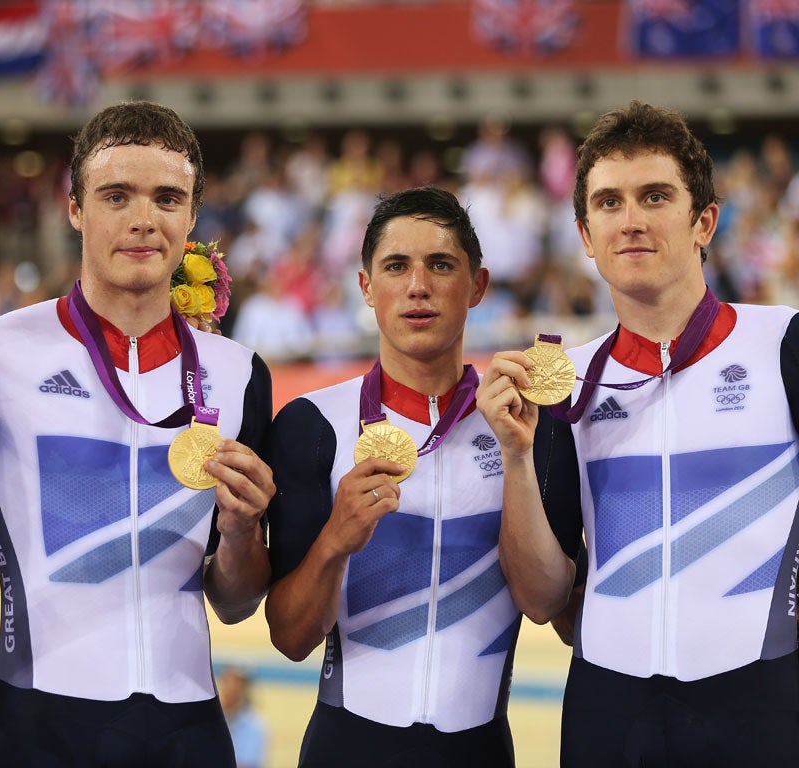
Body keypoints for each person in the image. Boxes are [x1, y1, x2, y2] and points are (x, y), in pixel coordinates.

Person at [0, 100, 276, 767]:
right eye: (116, 195)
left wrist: (238, 533)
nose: (143, 219)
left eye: (167, 198)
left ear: (192, 217)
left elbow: (235, 603)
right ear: (74, 209)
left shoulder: (240, 376)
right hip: (39, 724)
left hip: (189, 730)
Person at [476, 101, 799, 766]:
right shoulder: (564, 383)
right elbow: (541, 599)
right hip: (610, 718)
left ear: (704, 220)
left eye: (655, 196)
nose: (632, 220)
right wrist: (515, 455)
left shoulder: (784, 344)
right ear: (586, 235)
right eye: (609, 202)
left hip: (767, 708)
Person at [264, 186, 519, 766]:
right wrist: (335, 539)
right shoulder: (312, 425)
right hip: (347, 747)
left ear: (477, 286)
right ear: (365, 287)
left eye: (441, 265)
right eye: (396, 266)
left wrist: (522, 458)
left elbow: (551, 604)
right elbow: (290, 637)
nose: (418, 286)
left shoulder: (519, 426)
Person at [217, 667, 268, 768]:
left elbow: (245, 763)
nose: (230, 688)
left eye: (236, 683)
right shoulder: (216, 719)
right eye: (227, 682)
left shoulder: (254, 724)